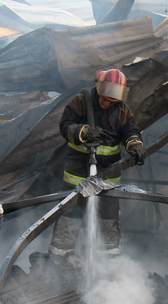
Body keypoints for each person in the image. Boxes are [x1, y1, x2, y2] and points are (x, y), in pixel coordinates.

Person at [48, 69, 144, 258]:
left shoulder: (123, 111)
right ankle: (58, 262)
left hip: (107, 179)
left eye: (112, 101)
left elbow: (131, 131)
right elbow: (64, 126)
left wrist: (135, 146)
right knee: (69, 221)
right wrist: (83, 132)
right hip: (76, 176)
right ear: (98, 88)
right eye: (105, 99)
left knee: (108, 223)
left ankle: (109, 265)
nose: (107, 103)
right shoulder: (81, 102)